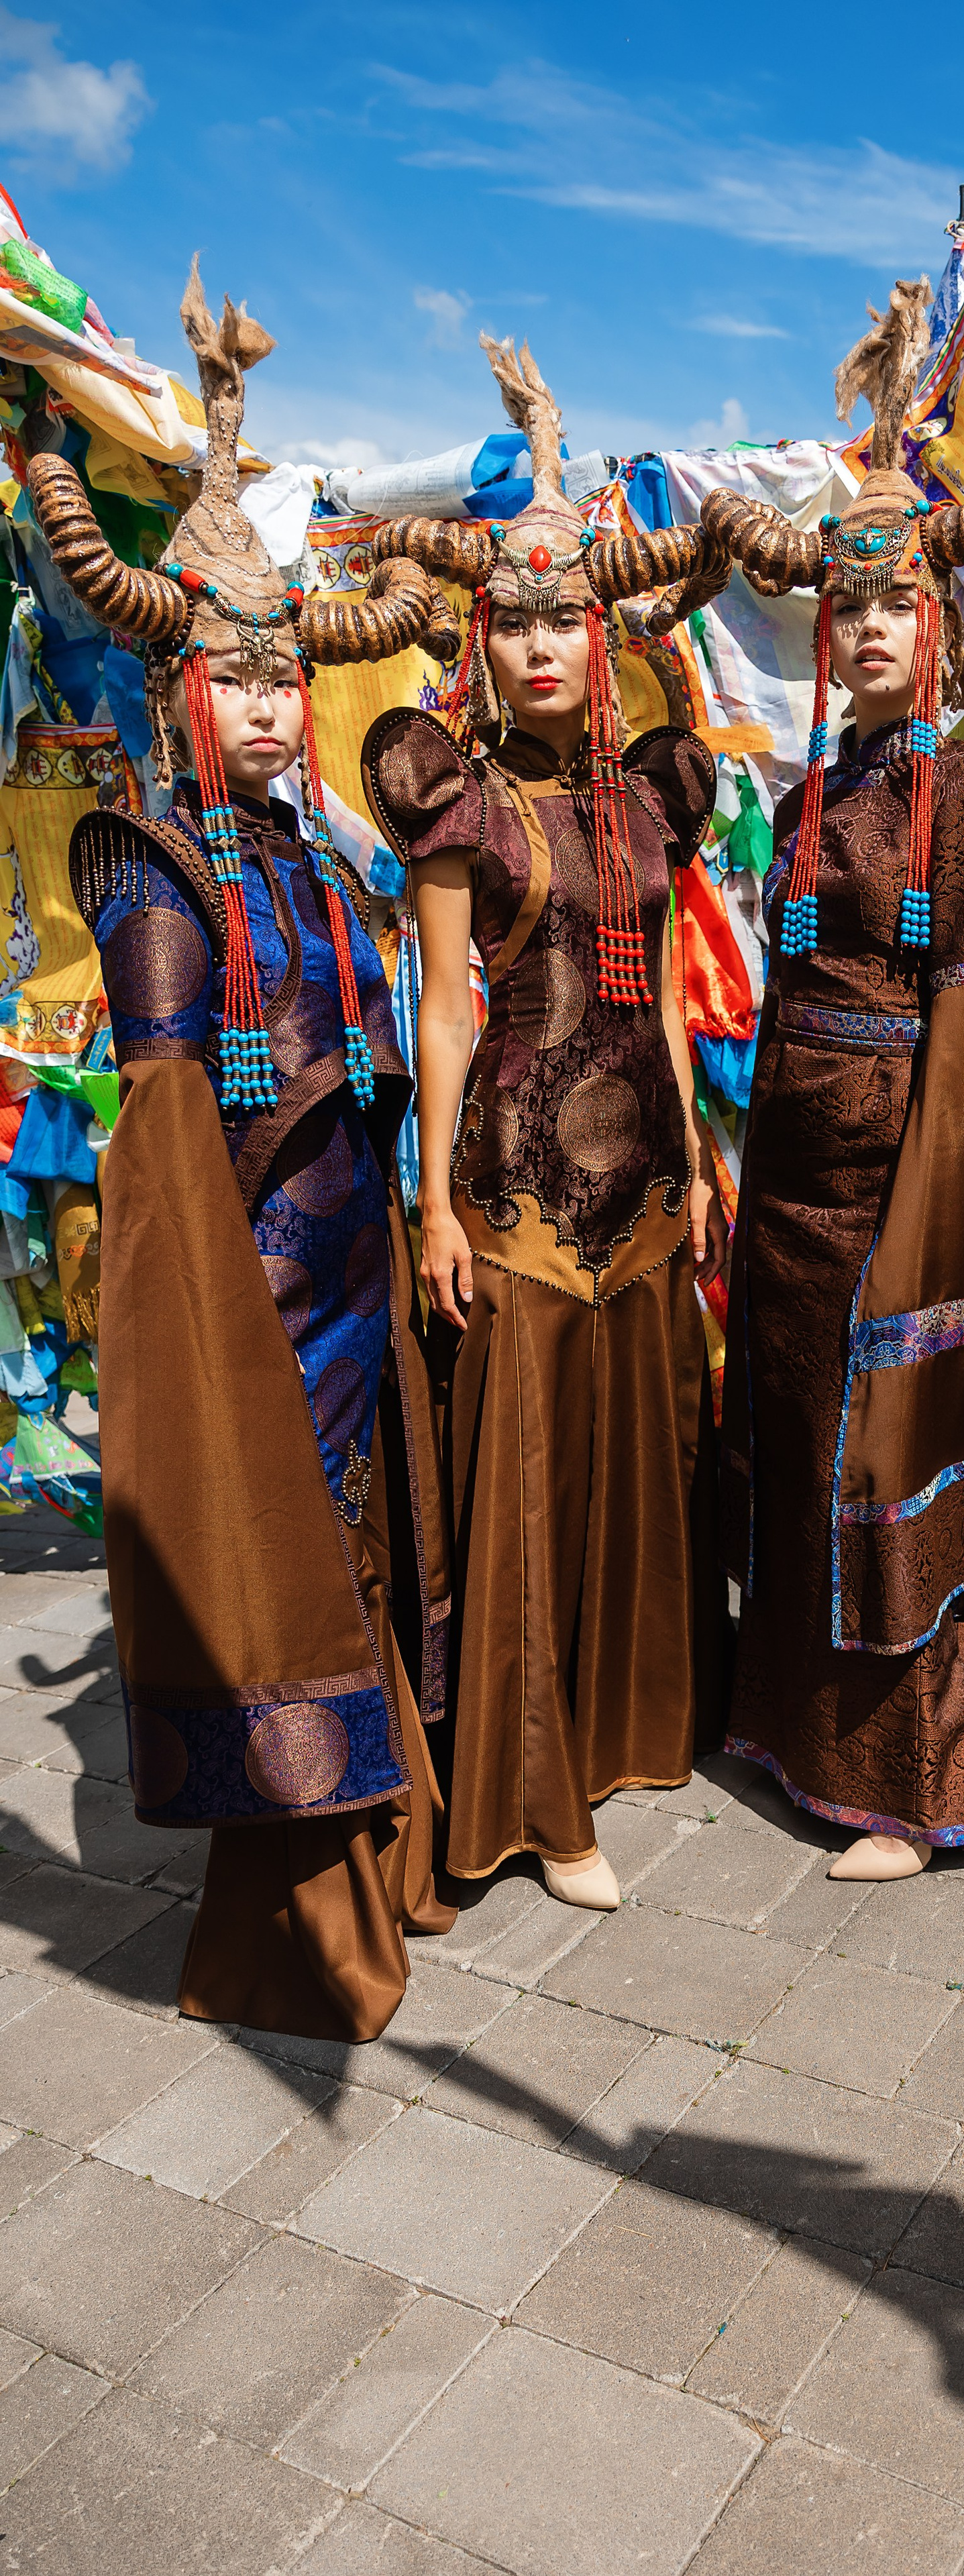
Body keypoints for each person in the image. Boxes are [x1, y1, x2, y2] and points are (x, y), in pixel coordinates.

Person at [28, 264, 459, 2038]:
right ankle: (295, 1933)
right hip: (256, 1303)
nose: (273, 707)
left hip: (354, 1269)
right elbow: (162, 1149)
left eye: (288, 678)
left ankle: (383, 1862)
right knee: (283, 1581)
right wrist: (202, 1346)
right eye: (236, 677)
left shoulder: (321, 852)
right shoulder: (156, 870)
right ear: (178, 683)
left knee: (354, 1571)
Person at [700, 282, 964, 1876]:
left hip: (891, 1180)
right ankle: (802, 1733)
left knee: (885, 1463)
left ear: (936, 624)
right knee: (802, 1453)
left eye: (895, 605)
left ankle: (928, 1780)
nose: (867, 627)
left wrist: (943, 1202)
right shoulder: (813, 796)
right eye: (846, 605)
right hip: (791, 1180)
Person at [364, 337, 732, 1911]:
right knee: (522, 1486)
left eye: (560, 622)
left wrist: (701, 1158)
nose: (535, 647)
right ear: (482, 640)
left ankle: (631, 1734)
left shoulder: (651, 797)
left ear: (602, 638)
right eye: (510, 623)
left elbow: (663, 999)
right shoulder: (454, 801)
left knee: (629, 1473)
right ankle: (535, 1802)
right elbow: (444, 1011)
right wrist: (434, 1204)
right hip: (511, 1193)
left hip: (645, 1188)